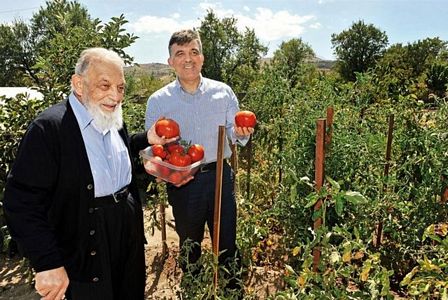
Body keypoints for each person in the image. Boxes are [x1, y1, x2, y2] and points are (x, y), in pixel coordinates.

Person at [3, 47, 175, 300]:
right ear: (79, 84)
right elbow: (21, 201)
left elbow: (117, 158)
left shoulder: (111, 118)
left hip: (125, 229)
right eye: (104, 85)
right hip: (85, 238)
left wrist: (146, 145)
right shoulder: (49, 128)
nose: (115, 96)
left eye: (120, 88)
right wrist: (47, 261)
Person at [145, 29, 254, 296]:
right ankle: (192, 289)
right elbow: (153, 147)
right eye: (180, 54)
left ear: (202, 57)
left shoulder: (223, 92)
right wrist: (162, 168)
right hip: (183, 183)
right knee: (189, 242)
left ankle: (232, 290)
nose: (188, 59)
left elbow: (233, 133)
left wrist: (241, 134)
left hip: (219, 175)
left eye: (194, 52)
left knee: (226, 239)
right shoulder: (158, 101)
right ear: (170, 61)